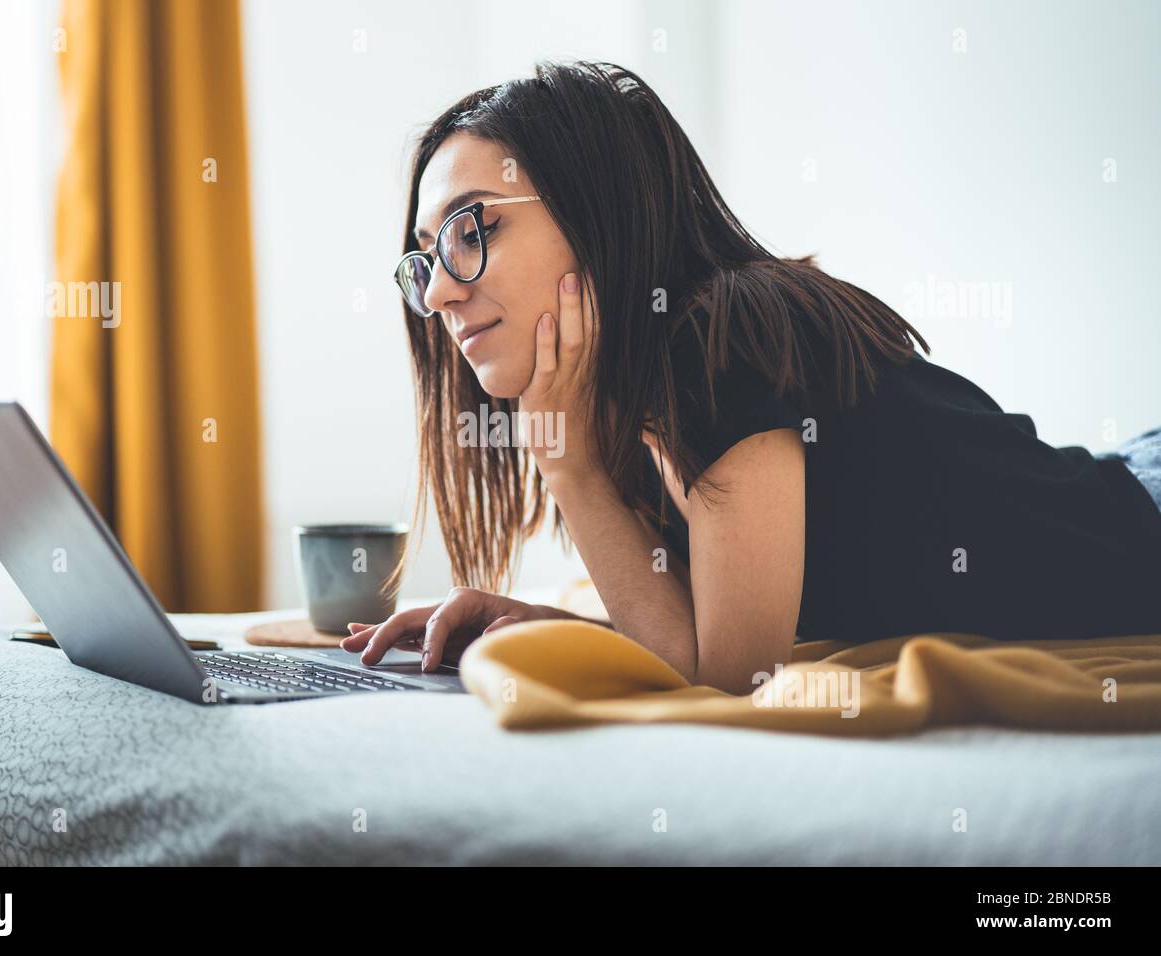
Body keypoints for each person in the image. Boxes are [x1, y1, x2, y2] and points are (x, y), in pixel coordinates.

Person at [341, 60, 1161, 694]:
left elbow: (728, 683)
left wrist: (569, 465)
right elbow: (699, 641)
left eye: (470, 228)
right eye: (424, 256)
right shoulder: (629, 394)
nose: (440, 290)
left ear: (596, 212)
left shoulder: (712, 341)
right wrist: (544, 621)